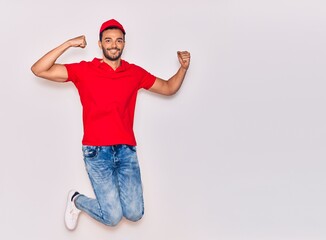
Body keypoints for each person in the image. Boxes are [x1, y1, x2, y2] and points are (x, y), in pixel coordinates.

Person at [31, 19, 191, 230]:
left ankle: (88, 201)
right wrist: (68, 44)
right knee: (113, 217)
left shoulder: (135, 73)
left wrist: (183, 68)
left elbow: (169, 88)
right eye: (108, 40)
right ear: (100, 44)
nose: (113, 45)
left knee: (134, 213)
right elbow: (38, 69)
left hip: (126, 151)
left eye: (118, 40)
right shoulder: (84, 71)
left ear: (124, 43)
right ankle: (76, 200)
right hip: (96, 152)